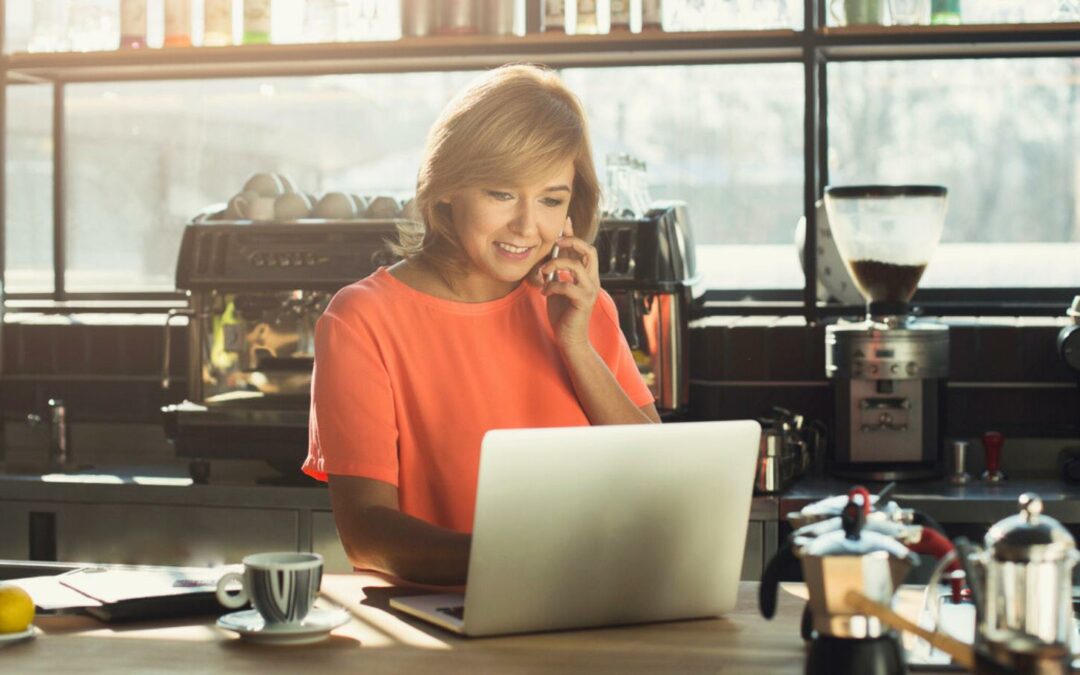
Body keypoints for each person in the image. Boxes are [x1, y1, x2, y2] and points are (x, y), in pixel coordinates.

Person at [302, 64, 660, 586]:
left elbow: (662, 477)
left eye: (551, 199)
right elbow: (366, 532)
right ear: (447, 188)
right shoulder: (361, 320)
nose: (526, 226)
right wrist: (517, 563)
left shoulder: (582, 307)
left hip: (593, 605)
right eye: (501, 193)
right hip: (445, 622)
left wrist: (576, 345)